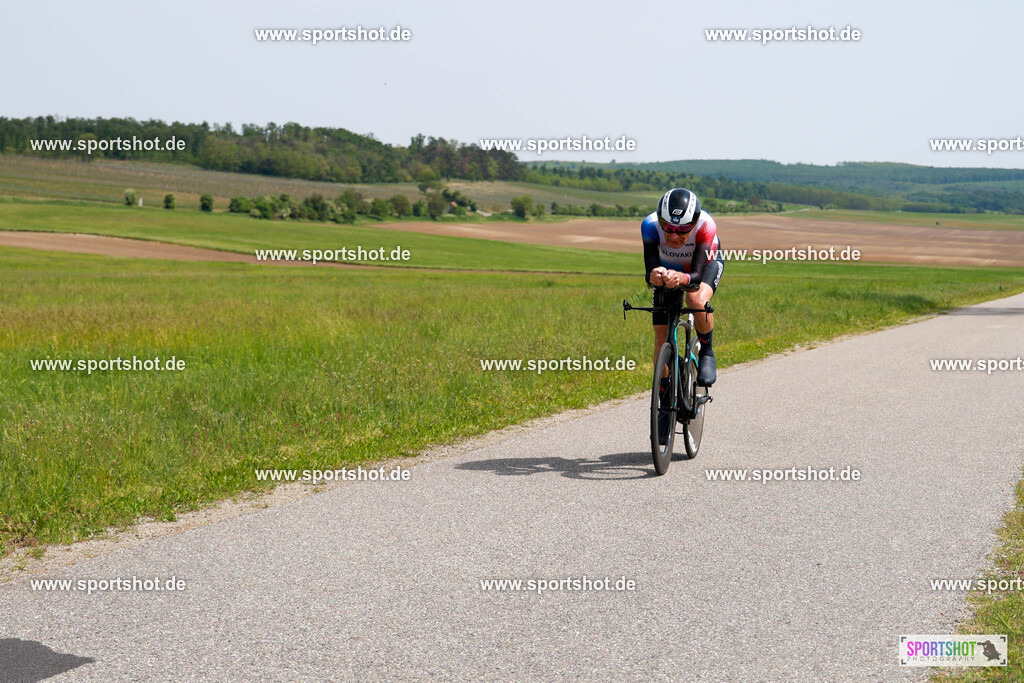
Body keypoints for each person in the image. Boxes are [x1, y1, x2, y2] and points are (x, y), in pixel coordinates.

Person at [641, 188, 723, 428]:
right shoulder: (649, 226)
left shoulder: (706, 226)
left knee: (695, 300)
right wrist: (654, 276)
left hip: (704, 265)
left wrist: (683, 278)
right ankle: (665, 404)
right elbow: (649, 268)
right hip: (669, 270)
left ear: (694, 223)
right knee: (660, 337)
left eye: (683, 231)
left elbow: (696, 275)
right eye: (668, 229)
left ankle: (707, 351)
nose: (674, 237)